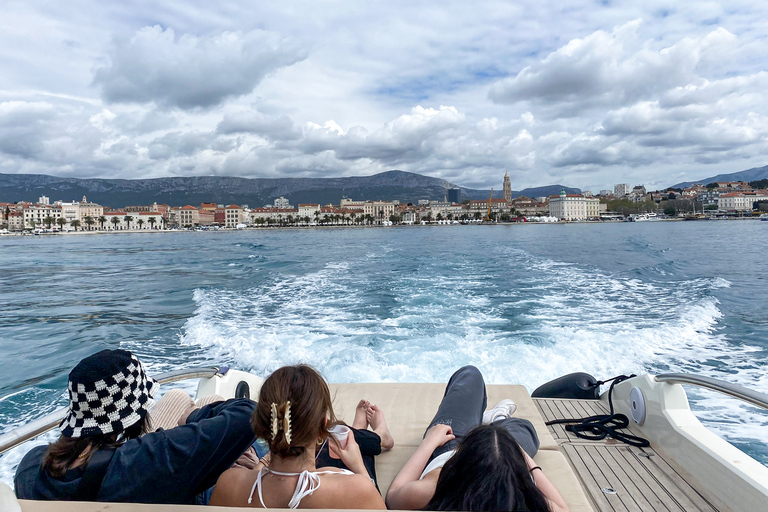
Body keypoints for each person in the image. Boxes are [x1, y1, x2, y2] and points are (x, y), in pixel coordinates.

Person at [14, 349, 257, 504]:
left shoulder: (30, 467)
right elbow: (247, 414)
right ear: (133, 414)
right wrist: (192, 417)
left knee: (177, 396)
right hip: (172, 490)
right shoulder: (155, 456)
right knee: (206, 404)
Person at [385, 365, 570, 512]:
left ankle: (489, 423)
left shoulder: (434, 489)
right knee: (524, 426)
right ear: (517, 472)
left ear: (459, 461)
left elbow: (393, 496)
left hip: (449, 443)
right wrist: (518, 454)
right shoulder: (521, 496)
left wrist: (430, 441)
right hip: (500, 452)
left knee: (470, 374)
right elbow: (563, 509)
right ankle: (498, 420)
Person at [209, 364, 390, 509]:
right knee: (358, 448)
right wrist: (359, 468)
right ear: (323, 427)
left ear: (261, 424)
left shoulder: (229, 484)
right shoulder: (355, 489)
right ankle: (377, 434)